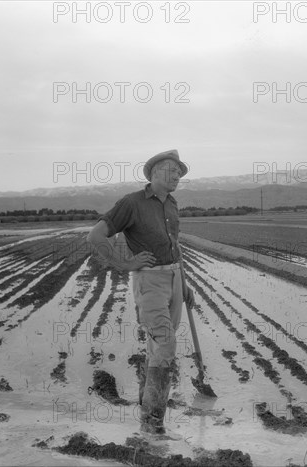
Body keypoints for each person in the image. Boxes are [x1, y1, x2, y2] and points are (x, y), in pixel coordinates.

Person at [86, 149, 195, 436]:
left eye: (180, 173)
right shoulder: (131, 203)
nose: (177, 177)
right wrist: (125, 263)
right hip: (149, 281)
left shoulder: (171, 204)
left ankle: (145, 411)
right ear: (154, 172)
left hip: (173, 278)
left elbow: (175, 247)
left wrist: (183, 283)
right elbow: (95, 236)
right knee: (167, 344)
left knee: (156, 347)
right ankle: (153, 420)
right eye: (172, 170)